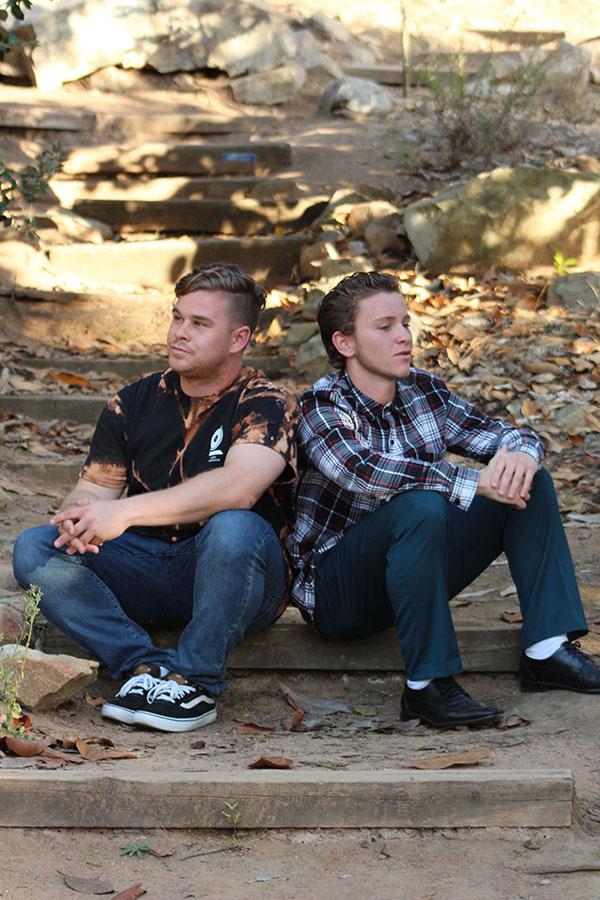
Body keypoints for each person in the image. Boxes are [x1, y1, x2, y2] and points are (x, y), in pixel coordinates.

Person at [287, 271, 600, 728]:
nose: (404, 338)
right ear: (344, 343)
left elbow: (505, 435)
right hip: (339, 594)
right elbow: (362, 472)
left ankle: (547, 649)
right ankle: (427, 688)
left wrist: (521, 458)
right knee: (421, 502)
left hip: (415, 574)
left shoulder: (423, 391)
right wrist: (470, 483)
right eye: (385, 326)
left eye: (406, 323)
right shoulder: (321, 405)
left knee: (531, 483)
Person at [13, 262, 299, 733]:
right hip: (146, 565)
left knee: (235, 525)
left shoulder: (267, 402)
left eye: (200, 324)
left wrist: (122, 512)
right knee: (36, 547)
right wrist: (74, 520)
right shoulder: (134, 400)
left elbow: (240, 489)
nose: (179, 333)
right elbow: (92, 491)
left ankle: (197, 682)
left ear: (239, 338)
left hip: (235, 576)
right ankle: (144, 669)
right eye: (178, 317)